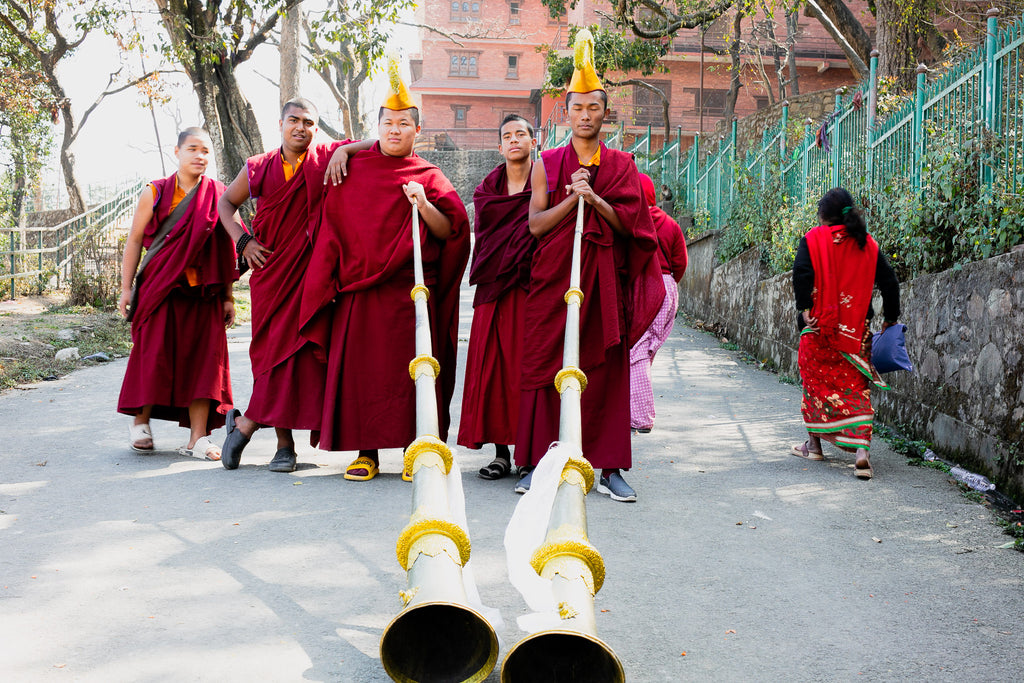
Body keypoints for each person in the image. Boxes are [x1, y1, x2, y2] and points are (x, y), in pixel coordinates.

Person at [300, 62, 470, 481]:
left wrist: (423, 204)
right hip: (360, 290)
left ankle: (418, 449)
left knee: (414, 371)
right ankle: (367, 452)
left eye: (403, 124)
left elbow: (451, 230)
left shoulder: (428, 175)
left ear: (417, 131)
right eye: (388, 123)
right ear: (376, 127)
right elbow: (331, 225)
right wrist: (348, 148)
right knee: (365, 375)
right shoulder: (354, 169)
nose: (395, 130)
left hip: (411, 291)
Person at [514, 29, 664, 502]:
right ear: (567, 111)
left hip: (602, 285)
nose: (584, 115)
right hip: (553, 284)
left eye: (593, 108)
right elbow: (536, 226)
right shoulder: (547, 162)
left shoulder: (622, 165)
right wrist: (571, 199)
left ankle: (611, 467)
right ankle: (537, 463)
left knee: (606, 372)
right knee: (546, 368)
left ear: (605, 111)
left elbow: (631, 229)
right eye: (577, 108)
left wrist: (594, 197)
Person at [216, 97, 370, 473]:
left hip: (312, 275)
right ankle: (283, 446)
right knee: (272, 359)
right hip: (271, 274)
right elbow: (225, 205)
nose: (301, 128)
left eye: (309, 123)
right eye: (294, 120)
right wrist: (244, 241)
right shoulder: (258, 167)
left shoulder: (323, 158)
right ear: (281, 123)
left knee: (303, 358)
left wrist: (345, 149)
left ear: (317, 128)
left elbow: (377, 143)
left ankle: (246, 425)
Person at [117, 127, 238, 460]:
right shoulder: (154, 193)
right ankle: (140, 423)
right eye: (193, 149)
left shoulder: (219, 194)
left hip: (203, 293)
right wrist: (126, 288)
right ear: (178, 152)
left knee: (205, 363)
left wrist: (228, 295)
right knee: (153, 354)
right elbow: (134, 241)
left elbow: (226, 248)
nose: (200, 156)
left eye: (206, 151)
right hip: (161, 289)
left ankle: (197, 438)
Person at [791, 187, 900, 479]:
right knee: (855, 389)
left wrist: (804, 309)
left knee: (815, 387)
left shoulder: (813, 240)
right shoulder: (868, 245)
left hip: (818, 330)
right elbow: (889, 283)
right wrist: (891, 318)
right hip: (855, 335)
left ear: (823, 216)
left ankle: (814, 445)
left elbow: (801, 273)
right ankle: (862, 452)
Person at [458, 114, 537, 480]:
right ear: (500, 145)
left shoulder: (546, 182)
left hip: (531, 287)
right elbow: (487, 239)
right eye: (507, 136)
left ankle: (529, 454)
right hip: (493, 288)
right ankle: (501, 453)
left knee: (526, 367)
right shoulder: (487, 189)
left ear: (533, 141)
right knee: (492, 369)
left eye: (521, 133)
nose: (514, 140)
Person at [629, 173, 688, 433]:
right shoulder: (671, 224)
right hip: (668, 288)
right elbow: (681, 263)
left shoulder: (629, 222)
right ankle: (634, 408)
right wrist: (669, 284)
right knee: (646, 350)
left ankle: (641, 416)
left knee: (636, 351)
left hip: (644, 288)